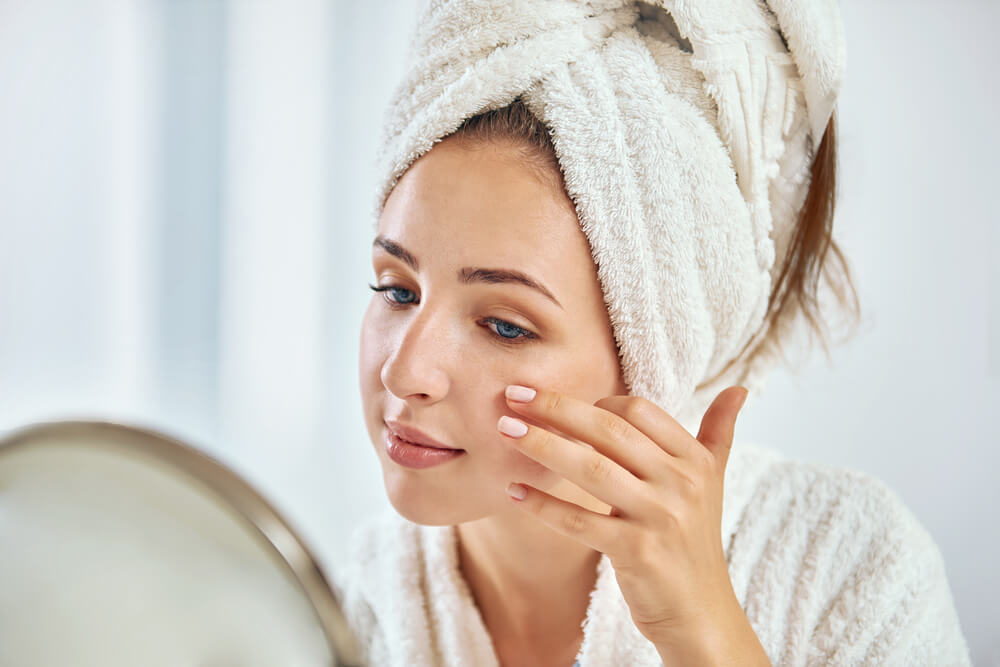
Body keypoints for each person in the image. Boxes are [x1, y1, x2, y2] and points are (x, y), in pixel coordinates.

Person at [332, 1, 972, 665]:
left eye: (504, 325)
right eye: (397, 289)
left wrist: (704, 630)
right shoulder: (337, 623)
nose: (404, 372)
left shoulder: (853, 576)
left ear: (651, 355)